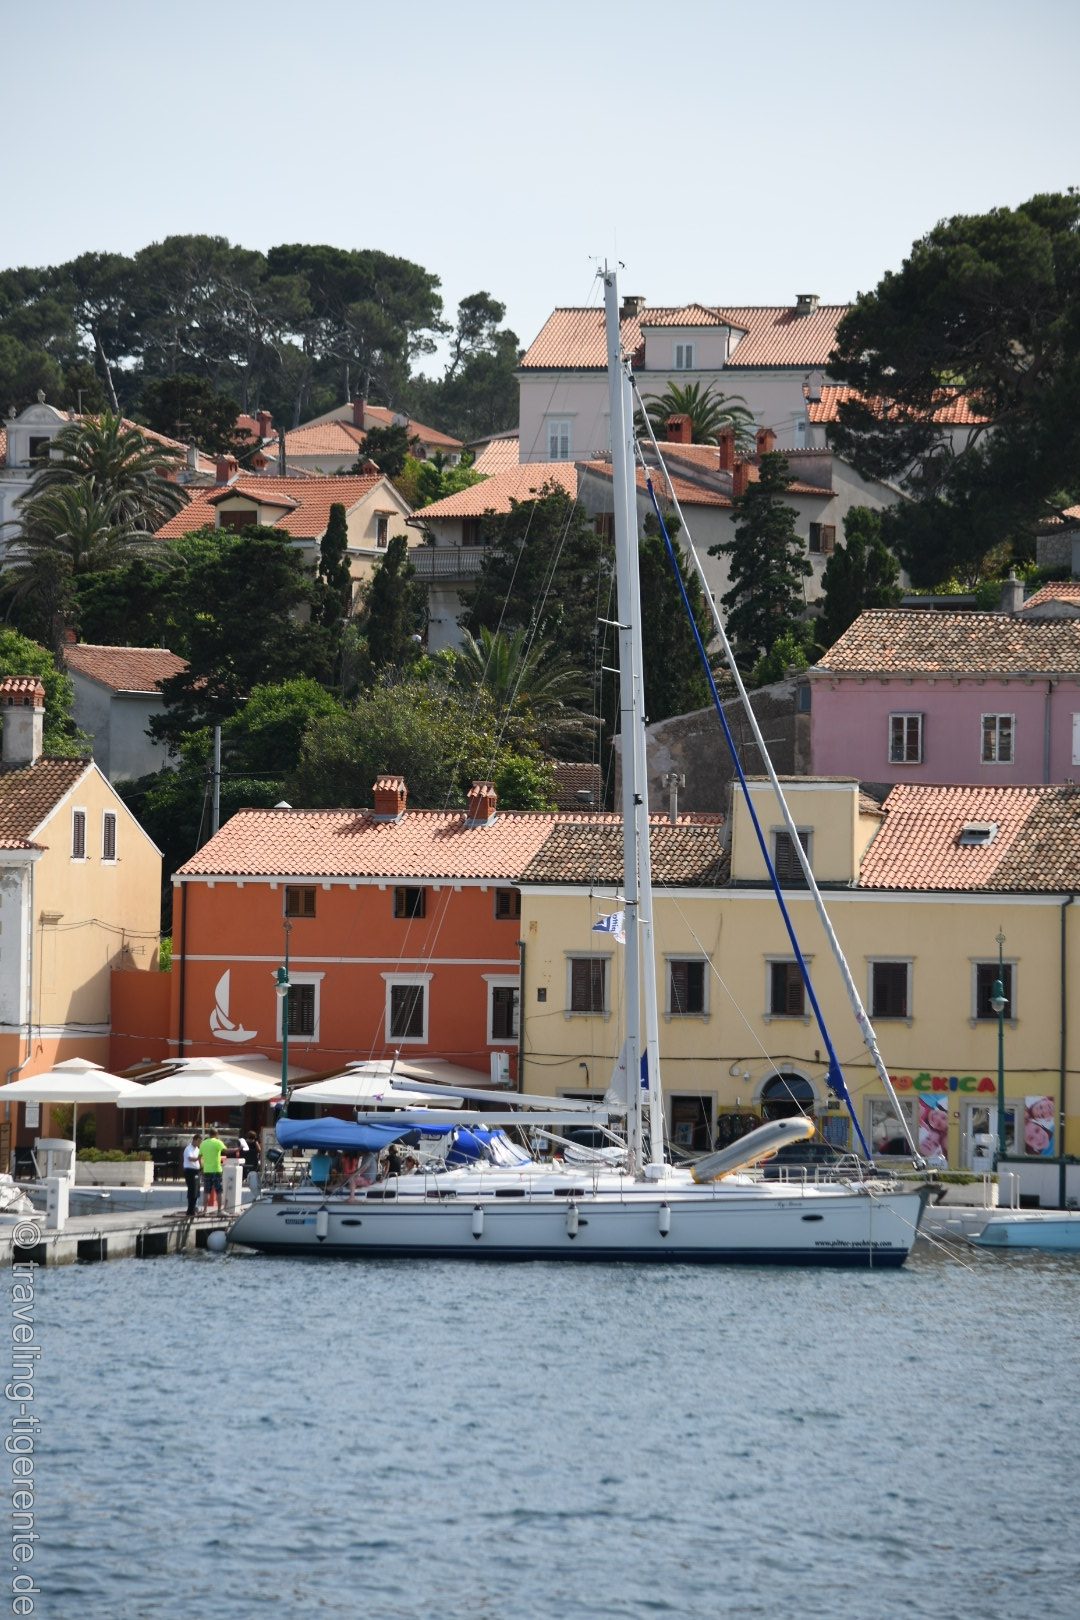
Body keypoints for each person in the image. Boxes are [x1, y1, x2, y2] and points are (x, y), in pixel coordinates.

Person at [199, 1126, 227, 1213]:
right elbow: (226, 1151)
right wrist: (238, 1149)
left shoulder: (203, 1143)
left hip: (207, 1170)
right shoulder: (218, 1142)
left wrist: (202, 1167)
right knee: (219, 1191)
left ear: (209, 1134)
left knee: (206, 1191)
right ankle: (219, 1210)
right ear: (217, 1134)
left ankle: (204, 1210)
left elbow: (199, 1157)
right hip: (216, 1170)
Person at [182, 1134, 202, 1218]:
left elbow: (199, 1160)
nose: (199, 1143)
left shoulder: (197, 1149)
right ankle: (190, 1210)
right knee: (192, 1190)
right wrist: (198, 1158)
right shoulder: (188, 1148)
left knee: (196, 1191)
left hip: (196, 1171)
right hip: (190, 1171)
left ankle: (193, 1208)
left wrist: (202, 1167)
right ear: (194, 1140)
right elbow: (190, 1158)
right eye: (198, 1141)